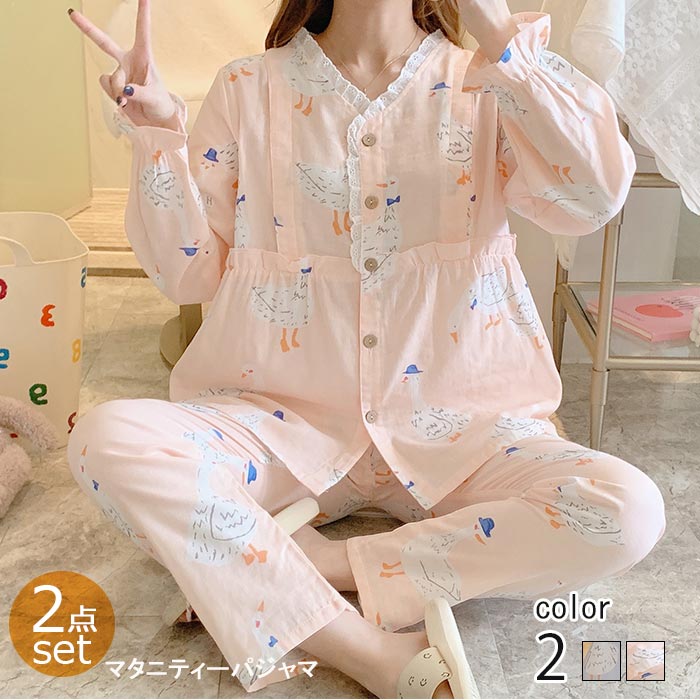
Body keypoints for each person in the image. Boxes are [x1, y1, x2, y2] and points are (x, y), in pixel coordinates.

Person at [66, 0, 666, 697]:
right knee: (109, 438)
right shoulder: (247, 88)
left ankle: (317, 564)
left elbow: (590, 199)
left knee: (627, 509)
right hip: (281, 430)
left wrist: (501, 35)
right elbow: (188, 274)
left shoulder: (490, 81)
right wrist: (155, 137)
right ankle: (367, 651)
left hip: (459, 432)